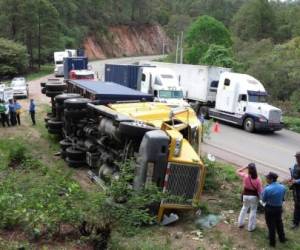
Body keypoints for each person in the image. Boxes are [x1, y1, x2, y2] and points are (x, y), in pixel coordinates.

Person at [262, 172, 287, 247]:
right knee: (279, 223)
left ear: (271, 179)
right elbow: (283, 198)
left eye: (267, 178)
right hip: (279, 208)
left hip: (270, 208)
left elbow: (263, 200)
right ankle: (282, 238)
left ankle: (272, 242)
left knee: (271, 225)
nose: (266, 179)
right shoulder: (283, 187)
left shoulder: (267, 189)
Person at [237, 163, 263, 232]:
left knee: (244, 208)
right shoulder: (258, 179)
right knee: (253, 210)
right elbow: (260, 191)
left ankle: (240, 223)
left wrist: (245, 167)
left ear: (248, 169)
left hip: (245, 195)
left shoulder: (245, 176)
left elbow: (237, 171)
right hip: (254, 196)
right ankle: (250, 227)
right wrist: (261, 199)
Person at [289, 151, 300, 229]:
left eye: (297, 157)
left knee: (297, 205)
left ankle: (295, 223)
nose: (296, 159)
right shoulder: (295, 165)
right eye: (296, 157)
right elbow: (294, 174)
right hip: (295, 188)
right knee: (297, 204)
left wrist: (296, 181)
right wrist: (292, 177)